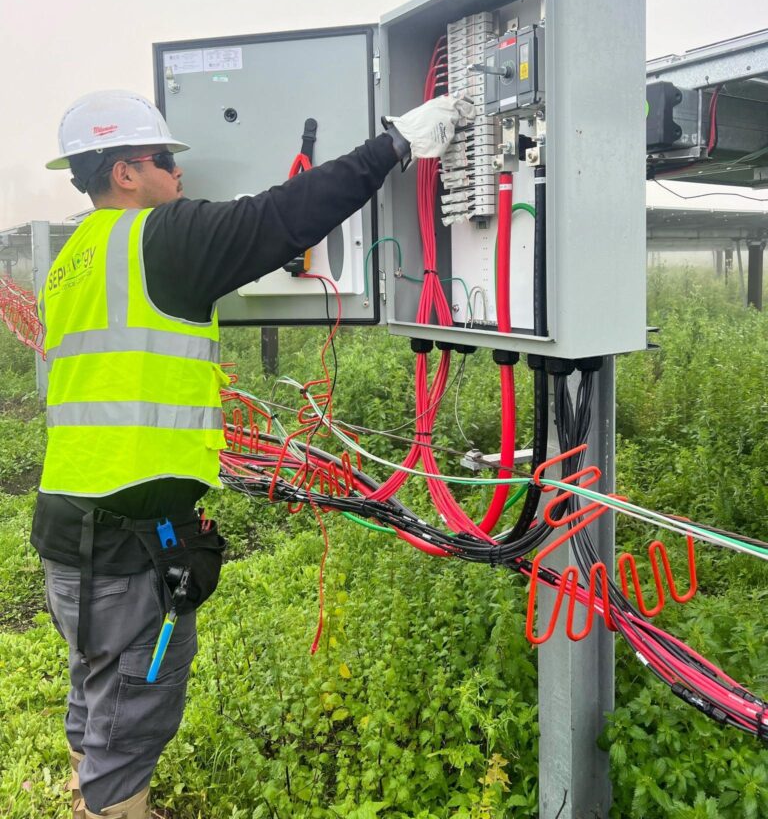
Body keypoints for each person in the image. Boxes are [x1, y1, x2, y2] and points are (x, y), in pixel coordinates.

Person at [33, 88, 473, 819]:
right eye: (166, 162)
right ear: (124, 174)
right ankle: (110, 807)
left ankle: (94, 795)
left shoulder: (73, 257)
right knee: (135, 712)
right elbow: (278, 218)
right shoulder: (158, 238)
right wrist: (394, 144)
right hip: (126, 541)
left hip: (69, 525)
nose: (180, 176)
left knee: (95, 686)